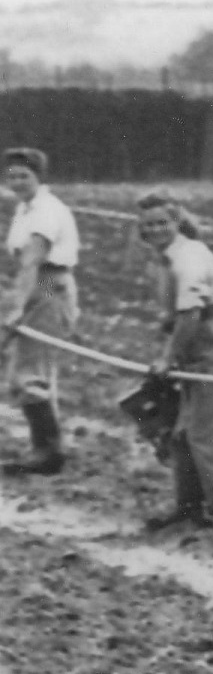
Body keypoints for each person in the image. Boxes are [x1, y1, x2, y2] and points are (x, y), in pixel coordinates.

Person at [137, 189, 213, 530]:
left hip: (210, 347)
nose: (155, 230)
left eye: (162, 223)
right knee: (183, 434)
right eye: (148, 225)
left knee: (206, 435)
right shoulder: (164, 258)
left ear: (177, 222)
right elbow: (177, 315)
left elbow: (191, 314)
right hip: (191, 348)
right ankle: (188, 506)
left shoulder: (190, 257)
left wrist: (168, 357)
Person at [2, 147, 79, 476]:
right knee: (28, 369)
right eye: (12, 175)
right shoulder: (24, 208)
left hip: (48, 284)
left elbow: (33, 261)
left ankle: (49, 452)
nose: (17, 181)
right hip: (37, 283)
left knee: (29, 372)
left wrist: (18, 308)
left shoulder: (46, 211)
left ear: (39, 176)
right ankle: (45, 446)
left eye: (24, 175)